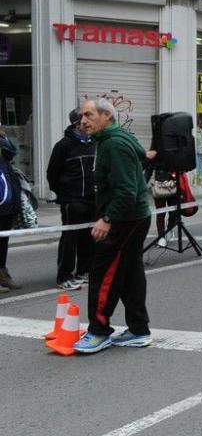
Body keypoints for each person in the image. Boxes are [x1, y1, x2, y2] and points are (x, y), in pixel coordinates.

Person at [72, 97, 152, 353]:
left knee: (103, 273)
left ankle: (98, 331)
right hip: (133, 216)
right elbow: (142, 154)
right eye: (82, 116)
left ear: (107, 116)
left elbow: (127, 191)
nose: (83, 121)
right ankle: (139, 329)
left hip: (125, 219)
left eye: (89, 115)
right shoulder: (116, 139)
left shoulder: (113, 144)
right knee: (129, 274)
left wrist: (107, 219)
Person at [47, 108, 96, 291]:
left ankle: (83, 271)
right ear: (77, 124)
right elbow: (52, 173)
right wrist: (63, 194)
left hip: (92, 200)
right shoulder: (64, 145)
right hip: (72, 200)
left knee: (89, 237)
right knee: (70, 239)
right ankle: (64, 277)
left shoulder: (95, 143)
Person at [0, 132, 23, 294]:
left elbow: (12, 152)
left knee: (3, 241)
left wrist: (3, 137)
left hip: (6, 202)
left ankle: (2, 274)